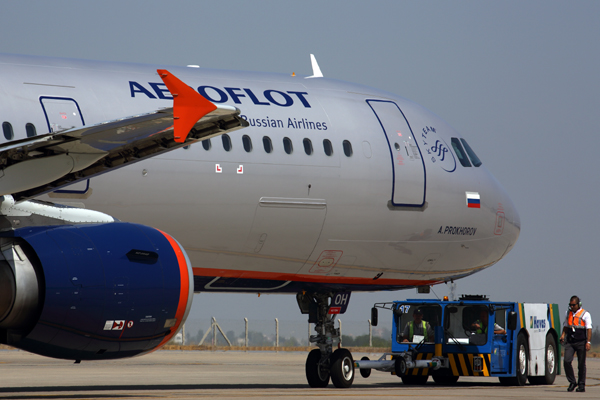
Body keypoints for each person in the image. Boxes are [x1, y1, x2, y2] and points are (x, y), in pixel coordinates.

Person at [560, 295, 592, 393]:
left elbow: (589, 329)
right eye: (570, 305)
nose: (572, 307)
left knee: (581, 364)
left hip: (581, 342)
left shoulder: (585, 314)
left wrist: (588, 342)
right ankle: (572, 382)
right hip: (570, 342)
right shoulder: (568, 313)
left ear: (579, 304)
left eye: (573, 305)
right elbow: (566, 325)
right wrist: (563, 335)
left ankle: (581, 385)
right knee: (566, 361)